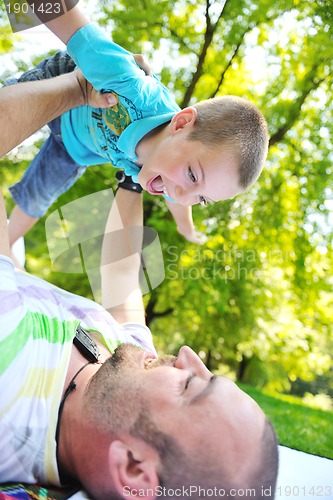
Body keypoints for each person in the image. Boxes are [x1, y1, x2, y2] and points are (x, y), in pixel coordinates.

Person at [0, 74, 279, 499]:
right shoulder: (123, 373)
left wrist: (78, 88)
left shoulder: (9, 359)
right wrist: (133, 176)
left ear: (133, 468)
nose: (187, 356)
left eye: (190, 385)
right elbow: (122, 285)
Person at [5, 3, 269, 249]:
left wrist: (186, 229)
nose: (180, 195)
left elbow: (178, 204)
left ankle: (6, 248)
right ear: (181, 124)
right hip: (64, 83)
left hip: (74, 149)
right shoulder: (131, 87)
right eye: (192, 176)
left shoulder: (167, 168)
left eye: (201, 199)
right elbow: (68, 21)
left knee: (39, 194)